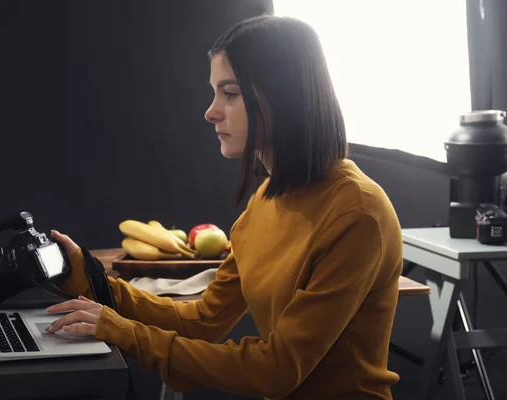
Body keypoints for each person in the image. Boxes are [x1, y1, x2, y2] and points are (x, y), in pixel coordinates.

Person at [46, 14, 403, 400]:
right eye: (215, 92)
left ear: (282, 96)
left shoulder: (358, 214)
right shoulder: (266, 201)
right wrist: (88, 278)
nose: (211, 111)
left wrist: (126, 332)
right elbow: (203, 320)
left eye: (229, 93)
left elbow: (277, 368)